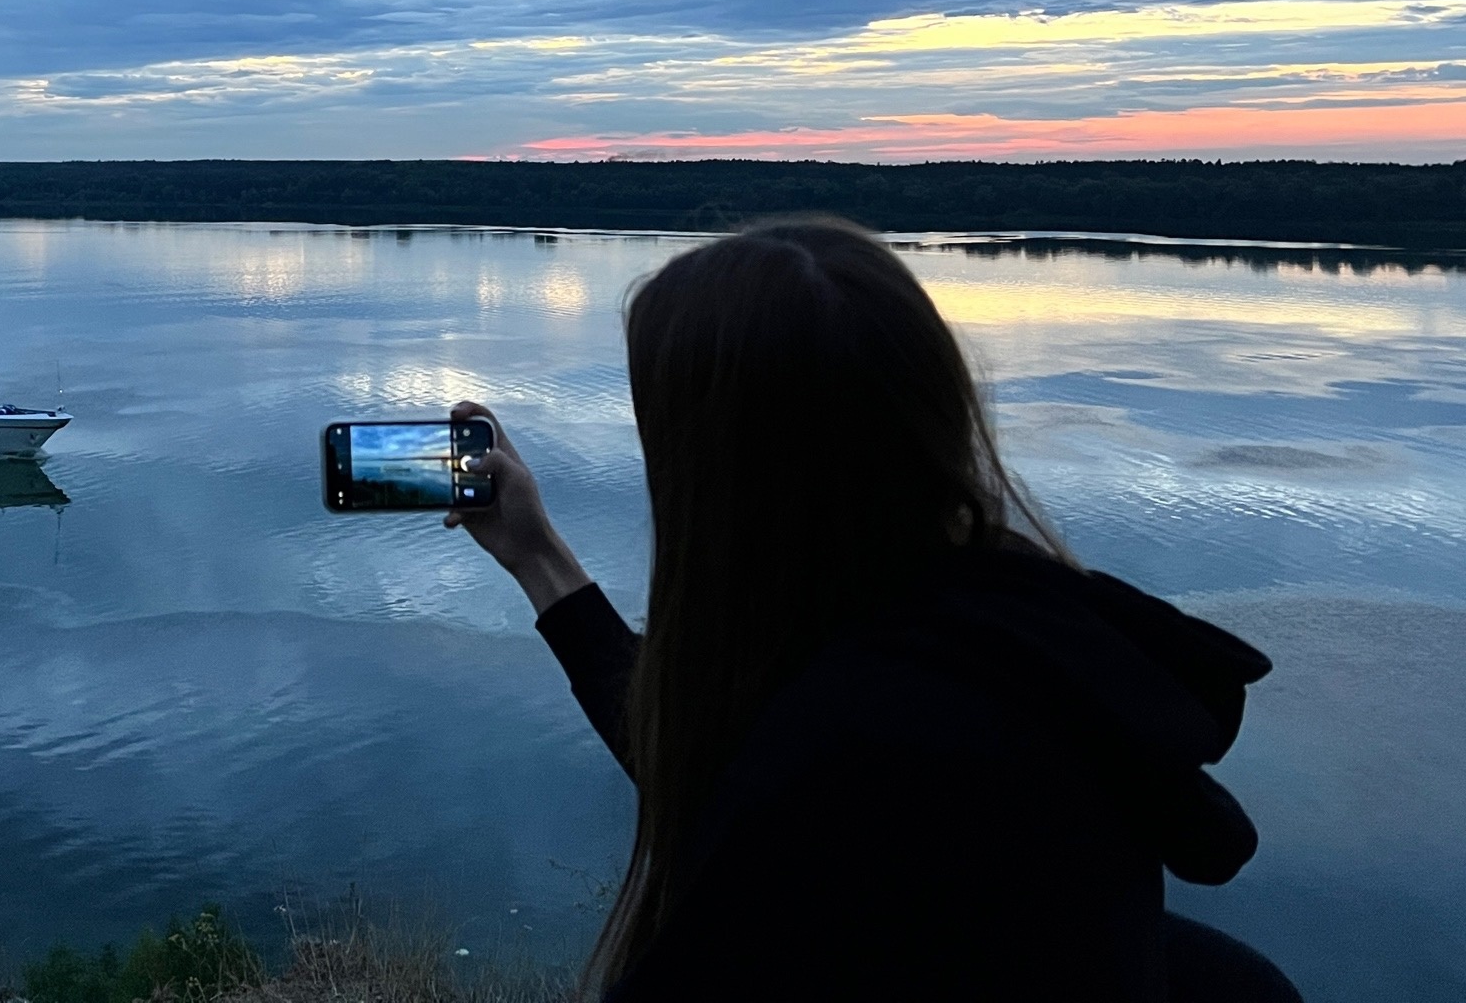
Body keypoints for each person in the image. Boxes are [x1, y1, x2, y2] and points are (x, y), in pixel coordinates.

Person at [448, 218, 1301, 1002]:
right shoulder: (1009, 633)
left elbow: (770, 790)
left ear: (728, 478)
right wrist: (538, 558)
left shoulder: (857, 764)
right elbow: (719, 759)